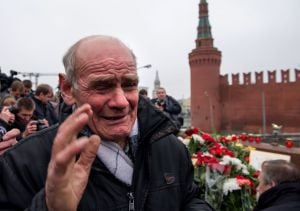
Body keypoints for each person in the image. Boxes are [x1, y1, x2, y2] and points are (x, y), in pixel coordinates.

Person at [0, 35, 212, 210]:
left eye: (129, 85)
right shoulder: (21, 164)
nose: (121, 102)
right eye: (102, 86)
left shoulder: (169, 146)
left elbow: (190, 199)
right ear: (67, 90)